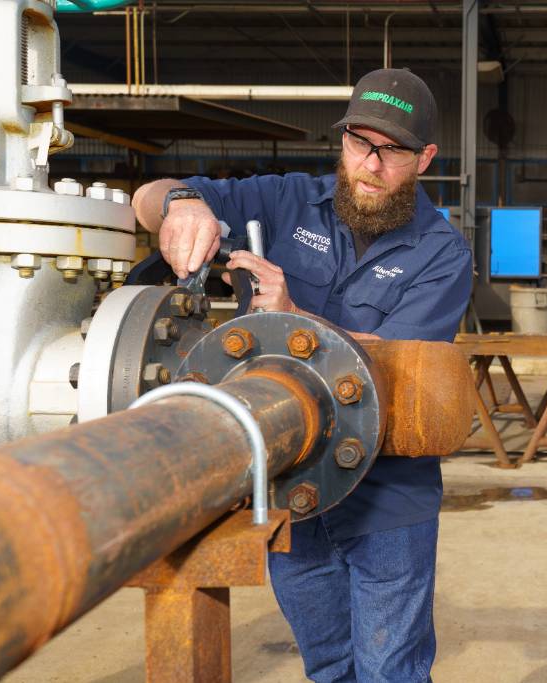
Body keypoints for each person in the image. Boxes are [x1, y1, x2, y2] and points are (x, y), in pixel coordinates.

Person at [132, 68, 472, 683]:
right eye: (357, 142)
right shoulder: (285, 199)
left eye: (391, 150)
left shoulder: (442, 253)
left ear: (424, 158)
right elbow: (147, 196)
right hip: (291, 486)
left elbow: (385, 368)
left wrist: (291, 320)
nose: (368, 164)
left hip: (388, 503)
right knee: (329, 666)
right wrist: (182, 207)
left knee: (390, 672)